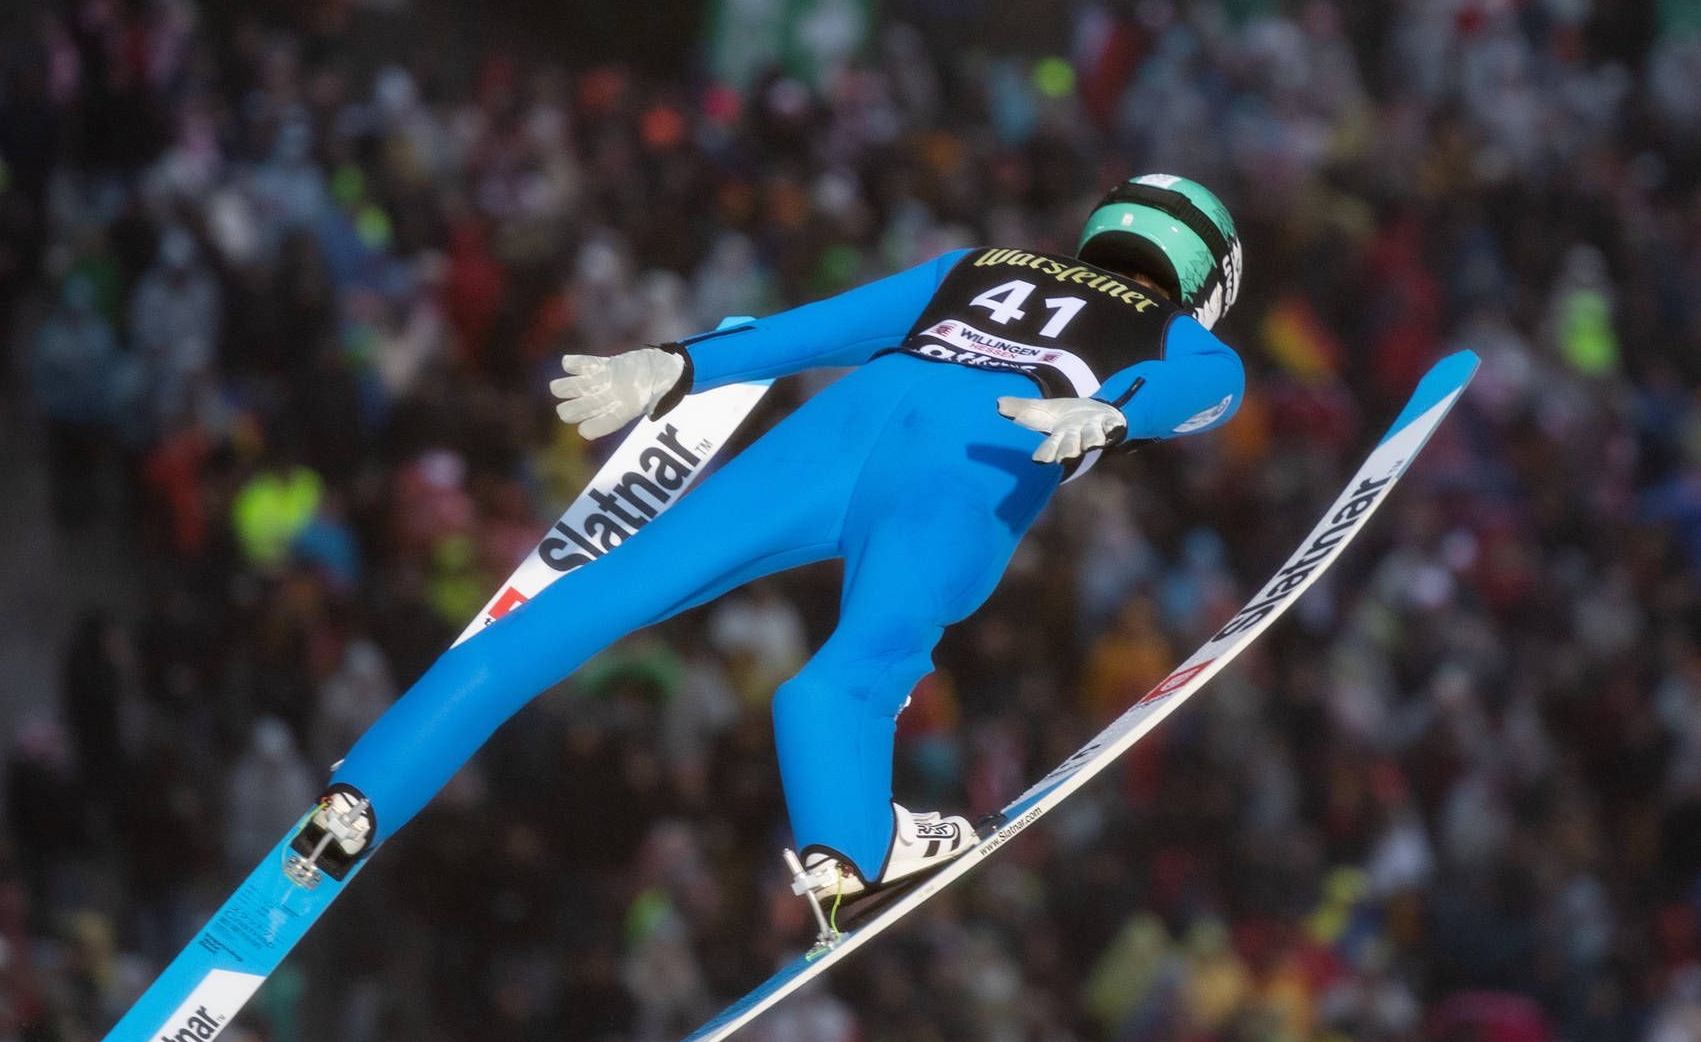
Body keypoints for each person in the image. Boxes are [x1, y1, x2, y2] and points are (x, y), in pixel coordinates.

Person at [310, 176, 1247, 928]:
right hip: (980, 451)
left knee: (589, 602)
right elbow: (1213, 388)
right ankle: (846, 851)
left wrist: (676, 363)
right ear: (1205, 281)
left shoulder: (985, 262)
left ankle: (357, 798)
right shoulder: (1175, 332)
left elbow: (822, 328)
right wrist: (1118, 414)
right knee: (863, 662)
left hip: (850, 418)